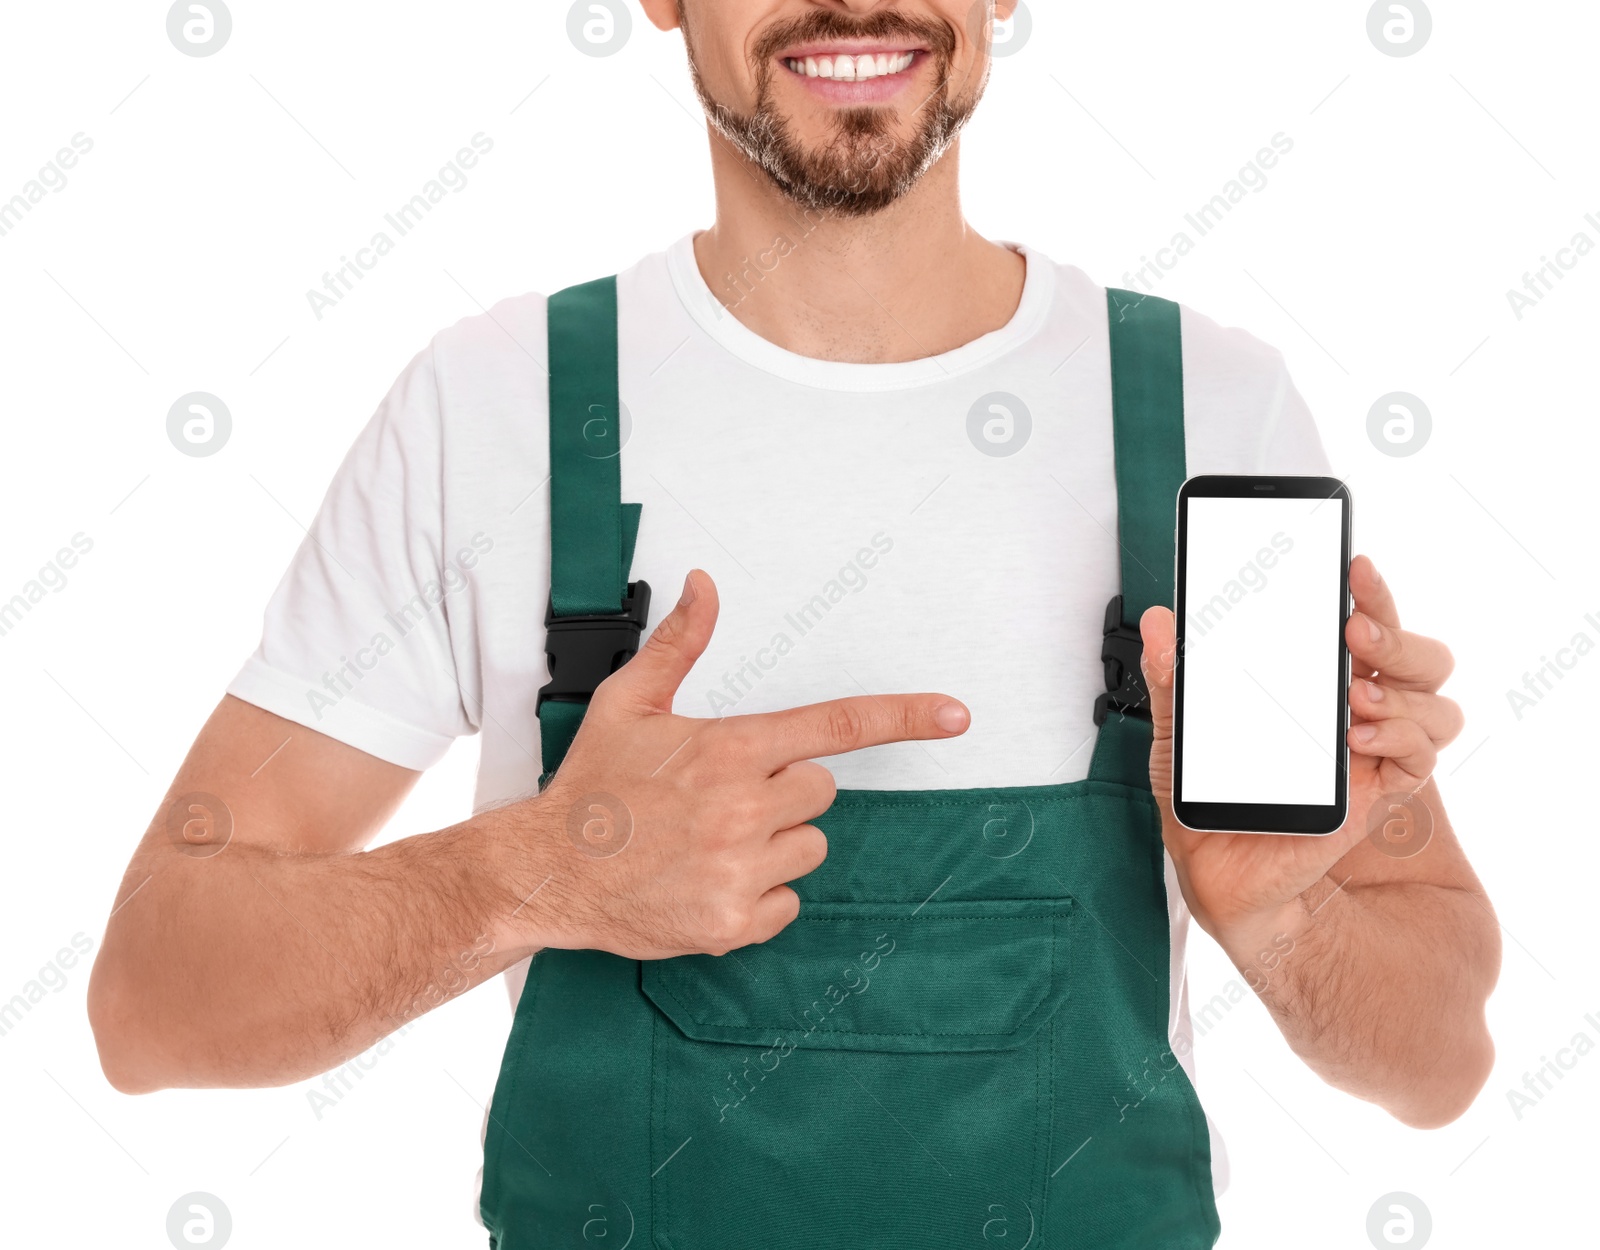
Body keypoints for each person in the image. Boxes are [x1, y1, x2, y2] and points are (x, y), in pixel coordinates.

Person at [88, 3, 1500, 1246]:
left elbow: (1440, 1057)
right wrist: (537, 871)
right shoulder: (496, 407)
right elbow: (152, 993)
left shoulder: (1209, 413)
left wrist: (1287, 915)